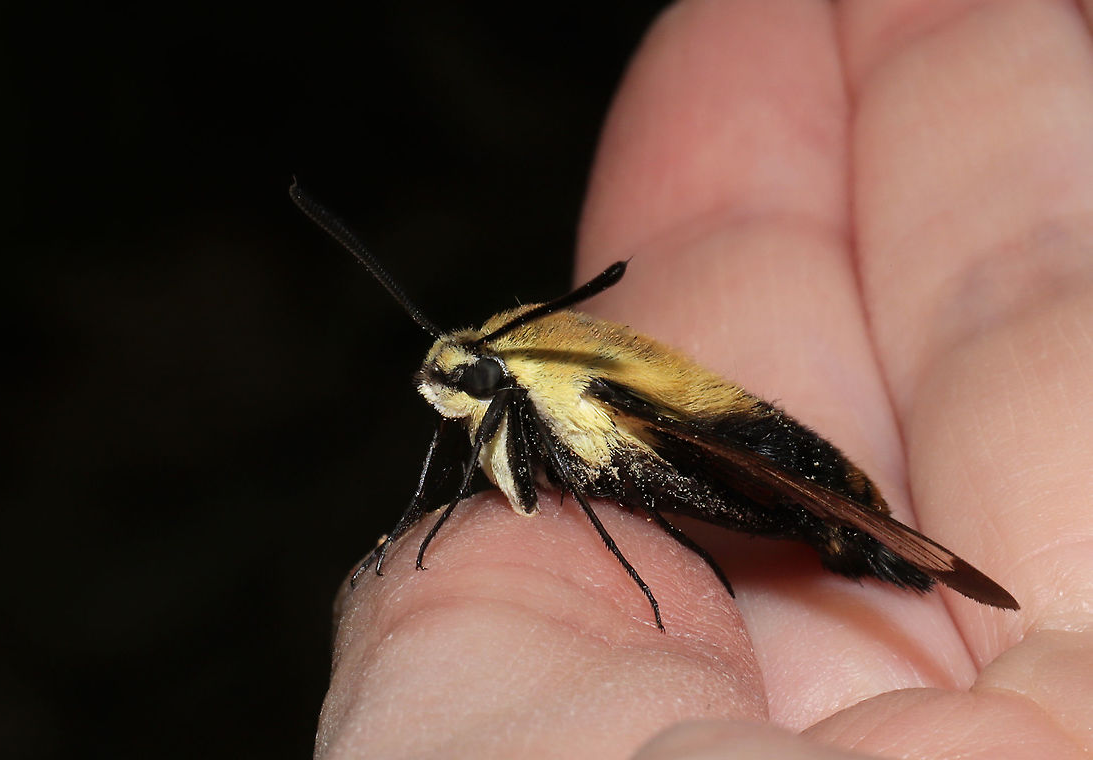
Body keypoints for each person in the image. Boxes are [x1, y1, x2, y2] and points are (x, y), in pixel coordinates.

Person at [314, 1, 1093, 757]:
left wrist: (853, 526)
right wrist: (430, 506)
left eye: (477, 379)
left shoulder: (570, 398)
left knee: (808, 500)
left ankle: (858, 534)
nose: (454, 398)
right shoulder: (511, 401)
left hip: (794, 477)